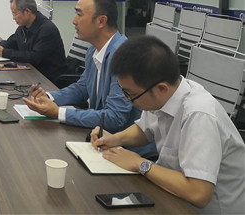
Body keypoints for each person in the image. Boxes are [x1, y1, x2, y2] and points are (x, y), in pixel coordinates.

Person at [92, 36, 245, 214]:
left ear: (161, 88)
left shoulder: (199, 115)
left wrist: (139, 163)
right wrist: (114, 139)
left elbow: (198, 193)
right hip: (171, 195)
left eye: (130, 95)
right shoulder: (162, 93)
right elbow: (145, 130)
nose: (128, 100)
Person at [23, 0, 141, 133]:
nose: (74, 21)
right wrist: (48, 97)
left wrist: (58, 113)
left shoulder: (124, 57)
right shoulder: (93, 50)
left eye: (79, 14)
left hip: (122, 142)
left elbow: (115, 118)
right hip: (100, 135)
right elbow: (83, 87)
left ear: (101, 21)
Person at [0, 0, 67, 84]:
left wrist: (4, 52)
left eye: (15, 14)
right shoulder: (23, 27)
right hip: (32, 74)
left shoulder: (47, 29)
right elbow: (11, 42)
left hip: (49, 80)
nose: (13, 18)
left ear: (27, 11)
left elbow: (34, 57)